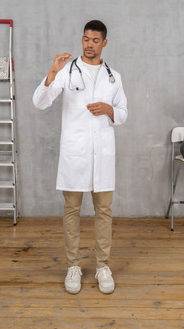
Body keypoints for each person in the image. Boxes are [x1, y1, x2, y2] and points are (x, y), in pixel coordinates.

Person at [33, 20, 128, 294]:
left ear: (104, 43)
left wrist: (110, 109)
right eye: (86, 39)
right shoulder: (67, 71)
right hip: (75, 154)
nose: (89, 44)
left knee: (104, 212)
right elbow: (40, 102)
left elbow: (123, 113)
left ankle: (102, 267)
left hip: (103, 155)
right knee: (72, 211)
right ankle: (73, 266)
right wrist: (51, 72)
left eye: (95, 40)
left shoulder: (114, 77)